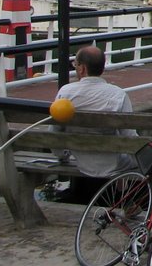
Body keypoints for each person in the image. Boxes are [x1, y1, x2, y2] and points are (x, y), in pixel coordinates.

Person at [54, 44, 138, 181]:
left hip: (80, 161)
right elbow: (130, 136)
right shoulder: (118, 94)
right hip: (114, 164)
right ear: (102, 68)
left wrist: (61, 155)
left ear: (82, 68)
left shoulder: (65, 92)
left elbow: (55, 130)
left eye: (75, 64)